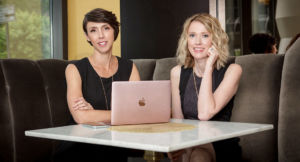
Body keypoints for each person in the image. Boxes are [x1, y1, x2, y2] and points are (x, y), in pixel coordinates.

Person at [55, 8, 140, 161]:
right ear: (87, 37)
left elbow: (138, 111)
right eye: (93, 30)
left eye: (106, 28)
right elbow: (80, 116)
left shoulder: (130, 67)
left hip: (115, 144)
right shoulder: (74, 69)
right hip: (80, 146)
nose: (101, 35)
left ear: (114, 31)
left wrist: (95, 114)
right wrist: (123, 115)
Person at [169, 13, 243, 162]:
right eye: (192, 35)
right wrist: (175, 145)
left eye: (204, 36)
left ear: (215, 40)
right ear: (186, 40)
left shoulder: (233, 70)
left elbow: (204, 114)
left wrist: (209, 66)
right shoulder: (177, 72)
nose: (197, 42)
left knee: (199, 156)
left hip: (217, 141)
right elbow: (178, 120)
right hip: (188, 140)